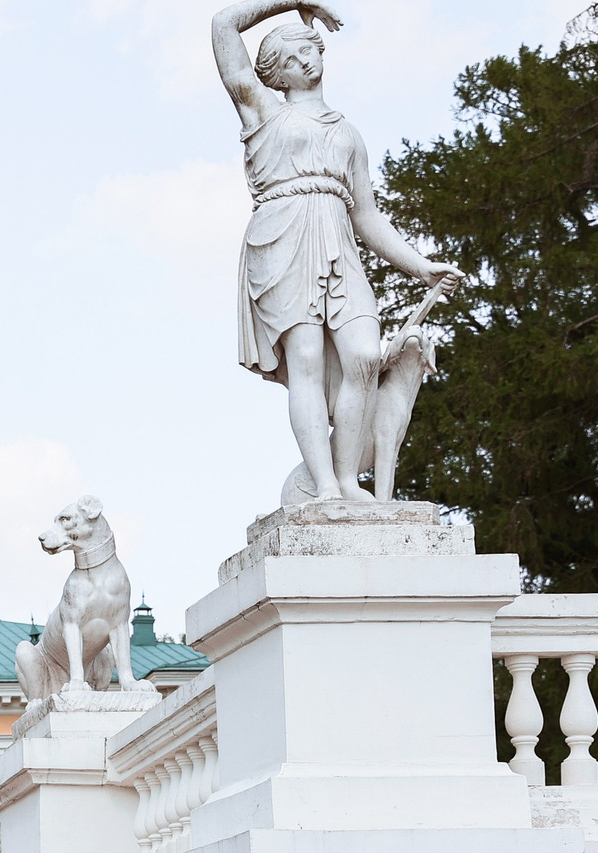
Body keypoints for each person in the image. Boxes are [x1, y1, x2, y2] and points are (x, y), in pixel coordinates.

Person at [214, 3, 460, 501]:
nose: (303, 61)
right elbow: (223, 25)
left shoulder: (348, 134)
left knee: (365, 356)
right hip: (282, 236)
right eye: (290, 59)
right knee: (305, 359)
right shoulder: (262, 109)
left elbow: (366, 216)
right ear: (276, 75)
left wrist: (420, 266)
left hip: (338, 241)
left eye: (307, 49)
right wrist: (293, 1)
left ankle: (347, 477)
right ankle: (327, 485)